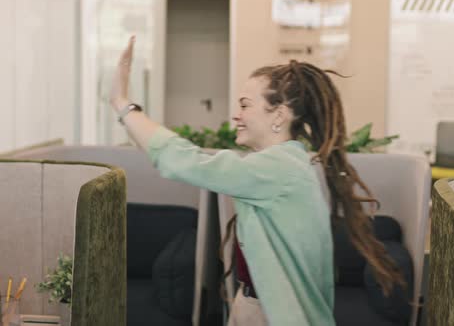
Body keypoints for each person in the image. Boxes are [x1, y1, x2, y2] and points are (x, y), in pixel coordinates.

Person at [110, 36, 403, 326]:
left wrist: (123, 105)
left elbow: (182, 159)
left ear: (278, 115)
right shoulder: (287, 165)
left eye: (246, 105)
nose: (236, 116)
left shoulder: (276, 170)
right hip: (253, 303)